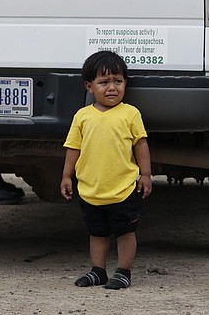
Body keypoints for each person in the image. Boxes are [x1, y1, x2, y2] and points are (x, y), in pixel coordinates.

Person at [60, 50, 152, 290]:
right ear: (89, 87)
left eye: (118, 81)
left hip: (123, 189)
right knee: (97, 233)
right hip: (91, 190)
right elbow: (73, 147)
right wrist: (66, 176)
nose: (112, 87)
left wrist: (146, 174)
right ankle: (98, 271)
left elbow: (141, 144)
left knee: (125, 232)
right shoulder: (82, 116)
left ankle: (123, 272)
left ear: (125, 83)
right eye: (104, 82)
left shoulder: (130, 114)